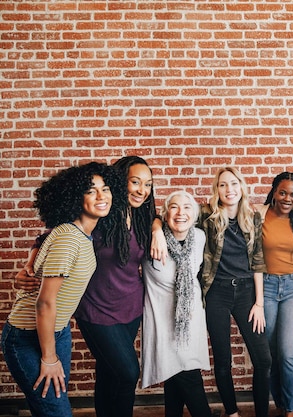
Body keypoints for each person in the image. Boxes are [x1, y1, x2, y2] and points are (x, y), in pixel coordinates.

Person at [15, 156, 166, 417]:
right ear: (119, 183)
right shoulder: (100, 215)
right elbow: (52, 236)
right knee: (128, 371)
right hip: (95, 309)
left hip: (130, 308)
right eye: (135, 182)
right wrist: (29, 264)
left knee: (110, 373)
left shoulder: (144, 217)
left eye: (148, 184)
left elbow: (157, 216)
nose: (142, 190)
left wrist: (157, 229)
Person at [2, 162, 125, 417]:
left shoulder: (83, 233)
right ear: (75, 197)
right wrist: (49, 358)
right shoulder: (69, 237)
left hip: (57, 333)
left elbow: (46, 241)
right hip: (28, 338)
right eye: (92, 191)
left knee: (50, 409)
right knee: (56, 412)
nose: (102, 196)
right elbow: (44, 303)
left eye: (106, 188)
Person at [200, 167, 272, 417]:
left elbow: (258, 262)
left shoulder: (252, 219)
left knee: (264, 360)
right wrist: (156, 230)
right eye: (222, 185)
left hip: (246, 293)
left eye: (233, 183)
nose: (228, 189)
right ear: (216, 190)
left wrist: (259, 303)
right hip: (216, 293)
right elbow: (168, 214)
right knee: (223, 361)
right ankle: (232, 413)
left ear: (241, 187)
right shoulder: (205, 216)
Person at [141, 190, 212, 417]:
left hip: (191, 319)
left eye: (187, 207)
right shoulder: (151, 239)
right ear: (164, 213)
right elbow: (146, 216)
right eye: (174, 207)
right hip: (161, 319)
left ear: (195, 214)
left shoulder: (200, 237)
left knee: (179, 374)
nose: (181, 212)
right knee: (186, 375)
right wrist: (156, 229)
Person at [255, 172, 293, 417]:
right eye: (283, 192)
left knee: (289, 353)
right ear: (274, 192)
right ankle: (278, 400)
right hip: (265, 287)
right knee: (270, 353)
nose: (287, 198)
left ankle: (290, 410)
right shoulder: (257, 215)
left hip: (292, 289)